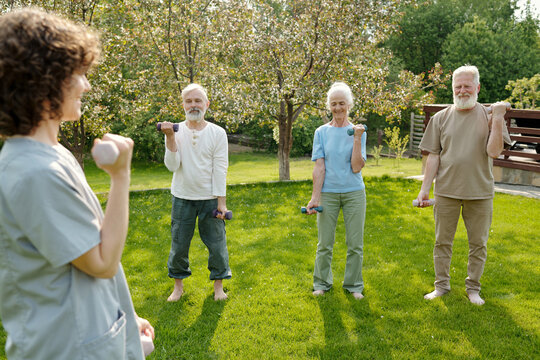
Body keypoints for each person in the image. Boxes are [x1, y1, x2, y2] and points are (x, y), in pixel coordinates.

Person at [0, 8, 154, 359]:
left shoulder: (53, 155)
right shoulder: (34, 172)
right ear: (43, 82)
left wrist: (126, 319)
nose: (86, 85)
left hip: (85, 334)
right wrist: (120, 176)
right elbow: (102, 262)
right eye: (77, 75)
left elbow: (86, 249)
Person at [416, 65, 511, 305]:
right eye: (457, 86)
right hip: (446, 191)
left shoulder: (490, 115)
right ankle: (441, 286)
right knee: (442, 242)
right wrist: (424, 189)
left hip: (480, 192)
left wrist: (497, 117)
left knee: (478, 244)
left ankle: (473, 289)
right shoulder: (440, 118)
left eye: (467, 86)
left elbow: (494, 151)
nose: (462, 91)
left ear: (477, 87)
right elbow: (433, 156)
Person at [159, 83, 231, 302]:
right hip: (182, 198)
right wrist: (170, 138)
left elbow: (220, 169)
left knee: (217, 245)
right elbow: (172, 166)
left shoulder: (218, 133)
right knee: (179, 245)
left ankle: (219, 288)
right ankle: (178, 287)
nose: (193, 105)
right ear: (183, 105)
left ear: (206, 104)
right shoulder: (174, 130)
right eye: (189, 101)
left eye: (198, 101)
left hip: (210, 200)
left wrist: (221, 202)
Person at [305, 82, 367, 300]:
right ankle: (321, 283)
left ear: (349, 104)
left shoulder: (358, 131)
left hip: (354, 193)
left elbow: (356, 166)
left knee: (355, 244)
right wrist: (315, 197)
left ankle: (354, 285)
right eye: (334, 104)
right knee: (324, 243)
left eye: (342, 103)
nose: (338, 108)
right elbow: (319, 167)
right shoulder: (321, 132)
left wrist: (357, 138)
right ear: (328, 106)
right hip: (328, 194)